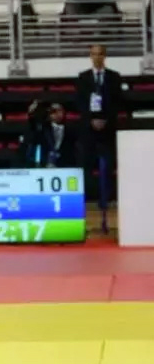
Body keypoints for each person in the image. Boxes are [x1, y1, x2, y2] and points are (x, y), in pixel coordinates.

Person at [76, 44, 123, 233]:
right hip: (89, 131)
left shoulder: (114, 77)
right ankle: (88, 204)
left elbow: (118, 102)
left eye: (100, 54)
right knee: (87, 168)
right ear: (90, 56)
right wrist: (91, 120)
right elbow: (79, 103)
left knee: (108, 168)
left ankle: (107, 203)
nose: (97, 57)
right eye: (94, 54)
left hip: (108, 130)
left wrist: (105, 120)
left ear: (105, 56)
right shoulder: (83, 78)